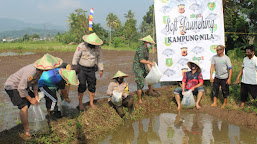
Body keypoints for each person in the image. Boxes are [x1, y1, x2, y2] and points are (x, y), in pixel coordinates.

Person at [4, 53, 62, 138]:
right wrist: (31, 99)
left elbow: (35, 83)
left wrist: (36, 96)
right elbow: (21, 88)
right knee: (24, 107)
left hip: (23, 86)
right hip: (13, 86)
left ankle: (28, 120)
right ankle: (26, 129)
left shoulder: (39, 71)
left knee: (33, 102)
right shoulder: (31, 71)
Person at [72, 33, 104, 110]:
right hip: (81, 69)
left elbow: (100, 58)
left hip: (92, 69)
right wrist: (74, 68)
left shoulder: (98, 48)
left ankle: (91, 103)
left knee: (92, 85)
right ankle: (80, 103)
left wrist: (101, 69)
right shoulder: (81, 46)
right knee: (82, 85)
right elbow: (75, 57)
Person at [133, 35, 158, 104]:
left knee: (148, 77)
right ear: (146, 42)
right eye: (150, 43)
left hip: (142, 66)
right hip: (138, 67)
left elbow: (146, 59)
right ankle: (139, 99)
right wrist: (150, 63)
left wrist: (150, 68)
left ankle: (150, 91)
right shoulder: (140, 49)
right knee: (140, 82)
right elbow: (141, 60)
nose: (151, 44)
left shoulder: (146, 49)